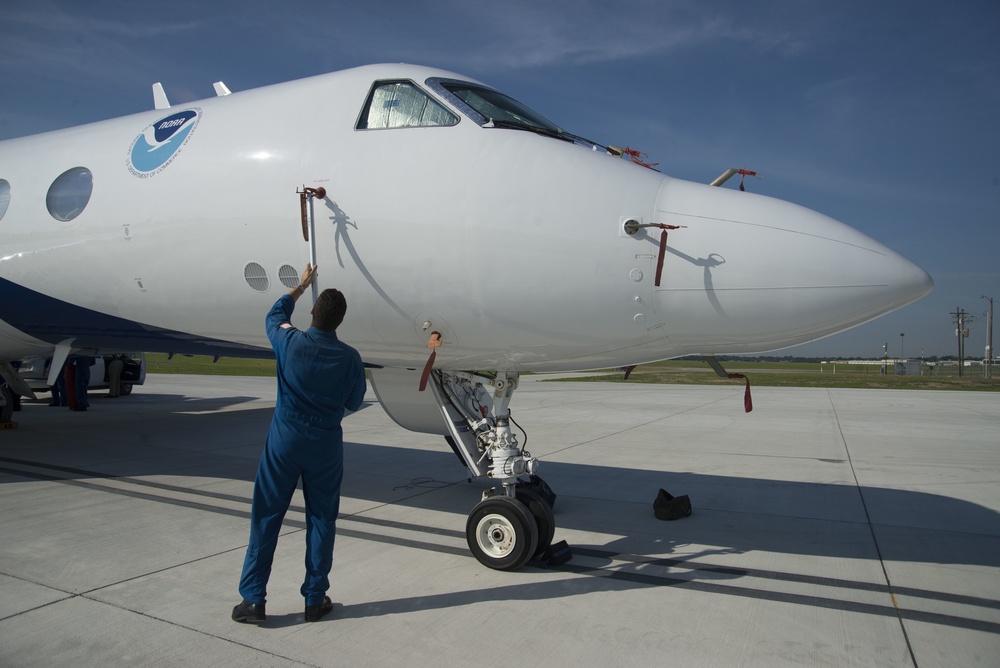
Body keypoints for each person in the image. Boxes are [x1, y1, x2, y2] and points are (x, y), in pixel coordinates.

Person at [232, 264, 367, 624]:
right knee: (322, 520)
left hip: (284, 442)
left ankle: (254, 600)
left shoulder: (289, 341)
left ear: (312, 312)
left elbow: (274, 315)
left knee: (266, 516)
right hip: (325, 445)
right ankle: (314, 598)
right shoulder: (351, 358)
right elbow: (354, 403)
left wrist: (299, 287)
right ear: (340, 321)